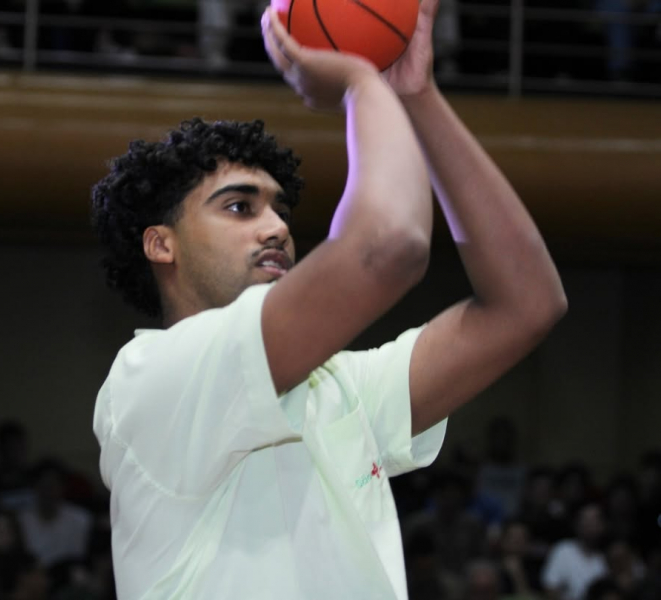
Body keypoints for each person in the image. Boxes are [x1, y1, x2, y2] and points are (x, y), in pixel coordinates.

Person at [90, 0, 567, 597]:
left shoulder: (339, 386)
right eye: (240, 207)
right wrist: (359, 81)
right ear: (161, 244)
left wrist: (417, 97)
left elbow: (527, 304)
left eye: (279, 210)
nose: (276, 228)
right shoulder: (154, 377)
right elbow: (388, 245)